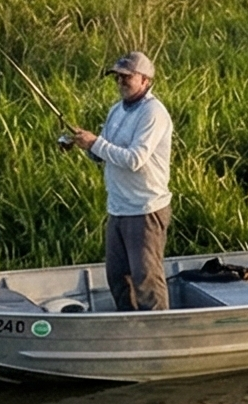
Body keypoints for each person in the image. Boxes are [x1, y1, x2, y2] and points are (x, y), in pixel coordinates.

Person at [64, 50, 174, 312]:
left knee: (146, 280)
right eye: (117, 77)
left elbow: (135, 159)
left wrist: (96, 143)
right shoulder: (117, 110)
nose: (121, 82)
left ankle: (158, 335)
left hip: (145, 209)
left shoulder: (153, 113)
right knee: (117, 277)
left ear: (145, 80)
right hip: (118, 207)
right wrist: (81, 144)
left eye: (127, 77)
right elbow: (103, 153)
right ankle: (131, 329)